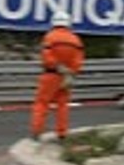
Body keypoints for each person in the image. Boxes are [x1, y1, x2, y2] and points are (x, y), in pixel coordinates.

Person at [29, 12, 84, 140]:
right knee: (62, 105)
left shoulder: (50, 37)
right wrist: (71, 74)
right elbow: (78, 60)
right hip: (67, 77)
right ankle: (62, 133)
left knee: (42, 104)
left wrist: (58, 67)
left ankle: (37, 131)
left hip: (50, 75)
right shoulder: (75, 39)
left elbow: (47, 57)